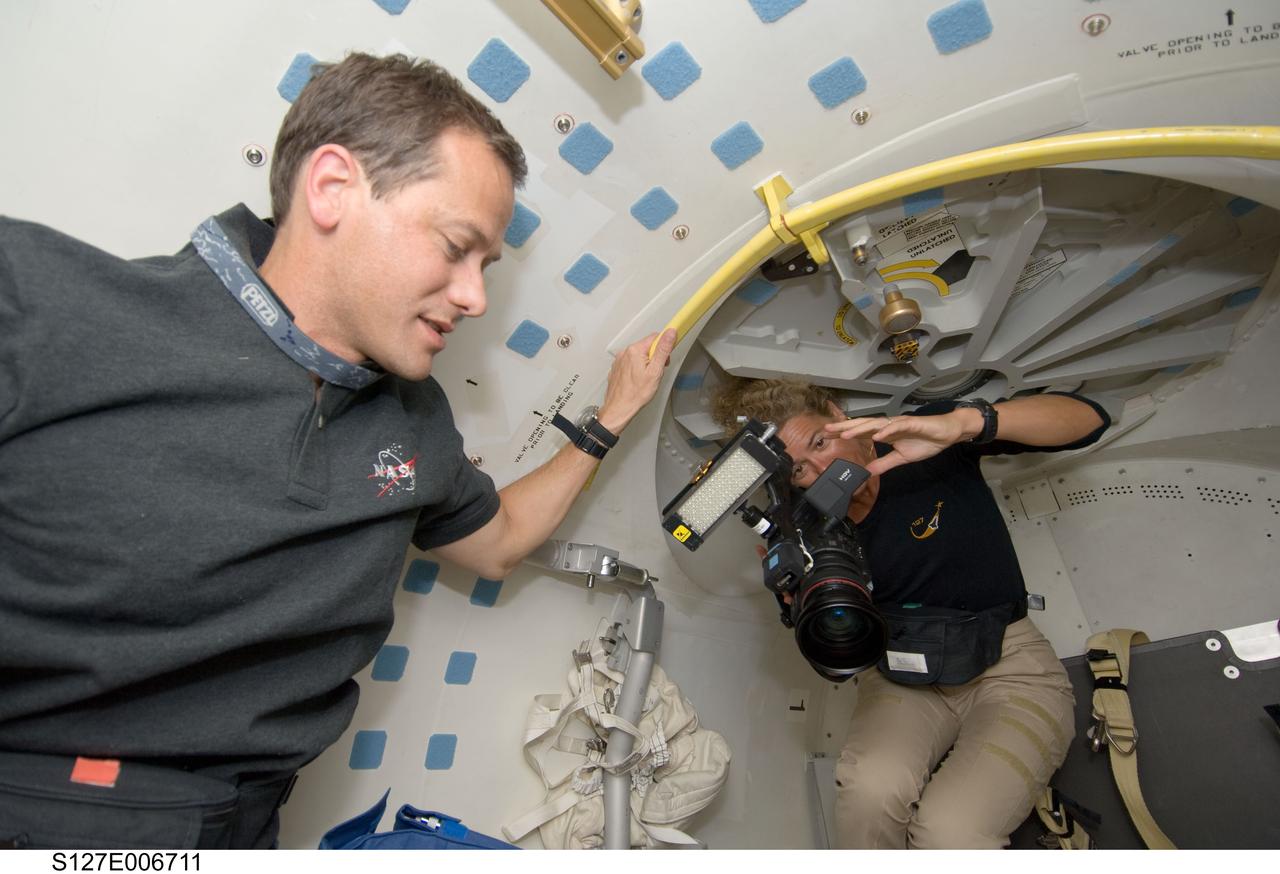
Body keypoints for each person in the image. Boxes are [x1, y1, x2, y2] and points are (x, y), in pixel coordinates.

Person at [0, 52, 677, 849]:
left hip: (243, 820)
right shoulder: (45, 304)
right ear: (332, 190)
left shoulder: (413, 420)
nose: (475, 297)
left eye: (486, 266)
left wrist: (612, 417)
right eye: (456, 247)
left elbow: (499, 544)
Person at [710, 379, 1109, 849]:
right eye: (798, 469)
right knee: (867, 797)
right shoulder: (802, 527)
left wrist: (963, 424)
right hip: (900, 675)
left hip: (1010, 664)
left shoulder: (923, 440)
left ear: (838, 415)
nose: (820, 470)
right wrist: (802, 605)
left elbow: (1089, 419)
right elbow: (835, 643)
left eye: (821, 441)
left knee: (948, 833)